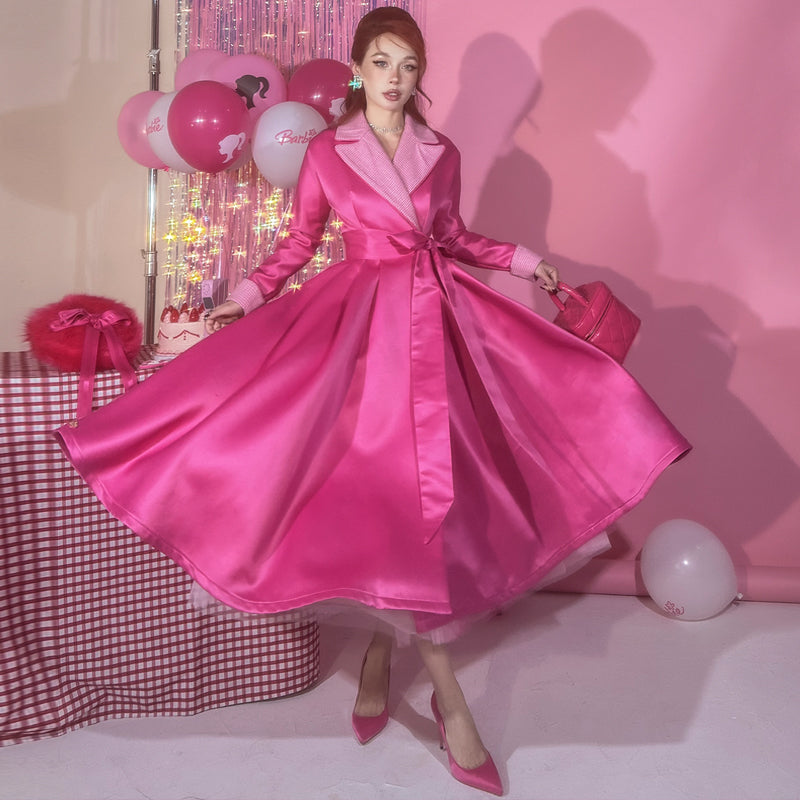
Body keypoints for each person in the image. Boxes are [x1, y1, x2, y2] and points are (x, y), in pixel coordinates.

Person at [56, 8, 689, 796]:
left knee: (436, 503)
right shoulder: (329, 150)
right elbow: (299, 243)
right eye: (383, 62)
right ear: (358, 69)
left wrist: (530, 264)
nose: (395, 77)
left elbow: (456, 236)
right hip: (360, 332)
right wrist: (244, 298)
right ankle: (454, 710)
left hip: (439, 324)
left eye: (409, 65)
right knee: (382, 497)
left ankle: (380, 658)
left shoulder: (442, 152)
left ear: (421, 75)